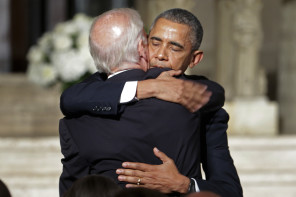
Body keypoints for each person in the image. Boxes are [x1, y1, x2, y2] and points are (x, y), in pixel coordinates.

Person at [60, 8, 242, 197]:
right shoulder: (94, 91)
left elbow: (231, 192)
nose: (161, 55)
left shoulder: (200, 101)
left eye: (175, 48)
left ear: (194, 59)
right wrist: (150, 87)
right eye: (155, 43)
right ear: (143, 43)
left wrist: (184, 184)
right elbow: (70, 98)